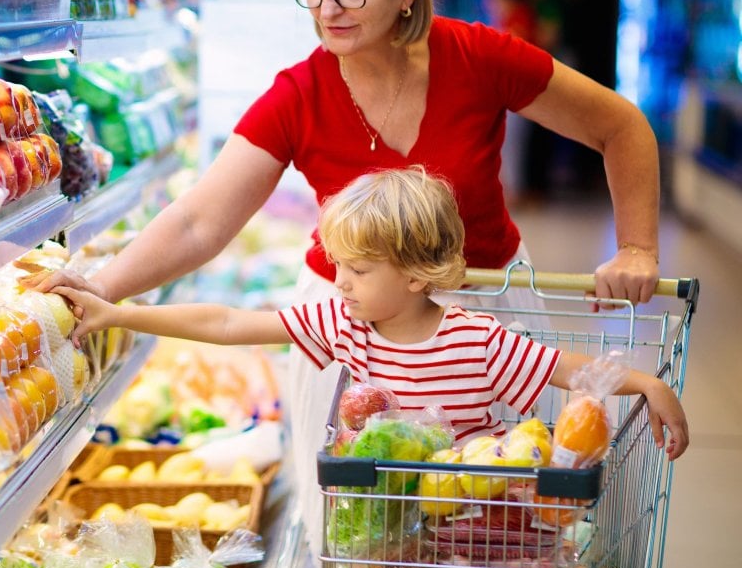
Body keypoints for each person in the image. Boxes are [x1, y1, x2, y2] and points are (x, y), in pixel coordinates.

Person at [25, 0, 664, 559]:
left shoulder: (478, 57)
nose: (328, 9)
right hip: (353, 327)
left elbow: (620, 125)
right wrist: (103, 287)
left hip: (484, 319)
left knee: (498, 517)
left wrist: (637, 246)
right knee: (364, 530)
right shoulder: (300, 93)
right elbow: (199, 222)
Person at [51, 168, 688, 455]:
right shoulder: (343, 323)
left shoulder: (479, 339)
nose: (339, 281)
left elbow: (566, 369)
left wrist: (648, 383)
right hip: (378, 530)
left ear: (416, 276)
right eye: (338, 265)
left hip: (469, 525)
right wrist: (117, 311)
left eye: (357, 270)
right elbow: (224, 323)